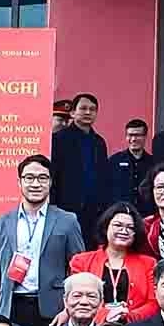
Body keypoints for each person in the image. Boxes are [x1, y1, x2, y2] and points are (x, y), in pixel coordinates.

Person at [0, 155, 86, 326]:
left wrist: (68, 310)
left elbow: (79, 269)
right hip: (11, 307)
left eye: (42, 178)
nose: (35, 184)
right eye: (29, 178)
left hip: (53, 310)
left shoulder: (67, 221)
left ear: (50, 182)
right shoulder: (1, 223)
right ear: (19, 182)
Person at [52, 91, 112, 236]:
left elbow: (104, 177)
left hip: (94, 211)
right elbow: (53, 174)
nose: (88, 112)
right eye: (83, 108)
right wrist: (53, 205)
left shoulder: (99, 142)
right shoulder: (59, 139)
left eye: (92, 109)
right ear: (73, 113)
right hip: (65, 208)